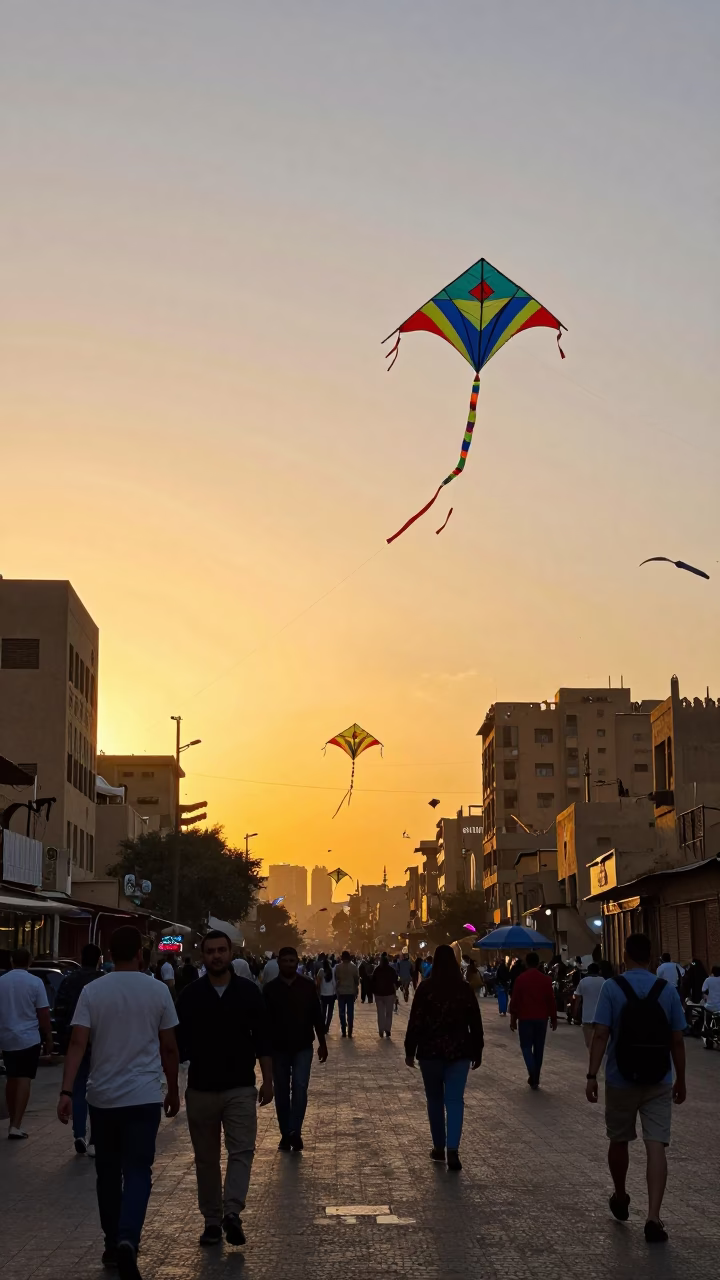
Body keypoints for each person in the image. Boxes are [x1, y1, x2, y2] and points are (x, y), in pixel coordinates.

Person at [57, 926, 180, 1280]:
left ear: (109, 955)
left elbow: (78, 1043)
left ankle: (112, 1243)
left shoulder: (93, 991)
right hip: (143, 1097)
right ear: (141, 955)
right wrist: (172, 1089)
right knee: (139, 1169)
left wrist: (67, 1091)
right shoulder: (158, 990)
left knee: (107, 1173)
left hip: (103, 1097)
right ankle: (128, 1238)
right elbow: (169, 1047)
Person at [586, 932, 687, 1245]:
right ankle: (654, 1217)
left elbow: (601, 1033)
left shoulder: (612, 987)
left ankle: (620, 1194)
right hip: (659, 1079)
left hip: (620, 1078)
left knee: (619, 1140)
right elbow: (678, 1039)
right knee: (656, 1145)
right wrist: (680, 1078)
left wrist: (591, 1075)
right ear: (651, 956)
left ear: (626, 955)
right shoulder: (667, 990)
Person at [176, 930, 273, 1249]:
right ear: (202, 956)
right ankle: (212, 1221)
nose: (216, 956)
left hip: (240, 1088)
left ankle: (232, 1212)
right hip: (202, 1089)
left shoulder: (248, 992)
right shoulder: (191, 994)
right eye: (210, 951)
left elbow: (262, 1038)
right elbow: (177, 1042)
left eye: (221, 950)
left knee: (242, 1151)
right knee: (206, 1159)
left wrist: (268, 1080)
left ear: (231, 953)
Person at [405, 945, 483, 1171]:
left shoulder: (426, 989)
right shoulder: (464, 989)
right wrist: (477, 1049)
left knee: (435, 1100)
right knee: (455, 1101)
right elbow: (475, 1023)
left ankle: (439, 1147)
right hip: (459, 1052)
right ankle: (453, 1150)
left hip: (430, 1053)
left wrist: (410, 1049)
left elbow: (415, 1021)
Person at [263, 947, 327, 1151]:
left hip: (302, 1047)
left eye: (293, 961)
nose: (289, 965)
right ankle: (285, 1133)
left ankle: (295, 1131)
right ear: (279, 963)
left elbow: (317, 1016)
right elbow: (262, 1022)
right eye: (286, 961)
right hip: (278, 1048)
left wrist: (322, 1043)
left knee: (299, 1088)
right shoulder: (270, 989)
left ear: (297, 962)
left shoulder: (307, 986)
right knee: (281, 1091)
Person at [54, 942, 103, 1154]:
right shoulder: (102, 981)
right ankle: (95, 1138)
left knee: (79, 1087)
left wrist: (63, 1039)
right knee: (98, 1089)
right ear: (99, 958)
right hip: (98, 1043)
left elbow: (60, 1010)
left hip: (74, 1043)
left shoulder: (69, 980)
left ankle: (79, 1133)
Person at [0, 948, 53, 1139]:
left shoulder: (2, 982)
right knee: (24, 1079)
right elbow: (43, 1012)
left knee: (11, 1078)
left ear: (12, 961)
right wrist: (48, 1036)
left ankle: (12, 1121)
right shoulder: (35, 982)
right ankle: (16, 1124)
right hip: (28, 1037)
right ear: (29, 961)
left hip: (6, 1037)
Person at [509, 952, 558, 1088]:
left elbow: (515, 1001)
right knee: (539, 1047)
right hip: (541, 1018)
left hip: (525, 1018)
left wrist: (513, 1019)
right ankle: (535, 1074)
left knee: (525, 1046)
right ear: (537, 963)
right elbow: (551, 1000)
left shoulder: (521, 979)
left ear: (526, 963)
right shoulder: (546, 980)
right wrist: (553, 1018)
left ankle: (533, 1072)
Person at [573, 961, 606, 1049]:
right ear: (599, 971)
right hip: (601, 1018)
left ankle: (593, 1059)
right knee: (599, 1043)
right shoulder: (604, 981)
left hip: (587, 1017)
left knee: (589, 1044)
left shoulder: (583, 982)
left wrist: (575, 1012)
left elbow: (577, 999)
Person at [333, 950, 359, 1037]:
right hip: (350, 991)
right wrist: (356, 988)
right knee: (350, 1012)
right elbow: (356, 980)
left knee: (342, 1011)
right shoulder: (353, 967)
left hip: (341, 992)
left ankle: (343, 1029)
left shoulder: (338, 967)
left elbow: (336, 978)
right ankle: (350, 1031)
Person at [372, 953, 399, 1037]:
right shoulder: (392, 970)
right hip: (389, 994)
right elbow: (395, 982)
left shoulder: (377, 970)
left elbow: (373, 981)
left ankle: (381, 1029)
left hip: (378, 994)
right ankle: (387, 1029)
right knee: (389, 1012)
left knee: (380, 1013)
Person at [316, 956, 337, 1031]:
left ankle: (322, 1025)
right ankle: (327, 1027)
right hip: (331, 994)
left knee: (323, 1011)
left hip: (323, 994)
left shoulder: (321, 971)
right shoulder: (332, 970)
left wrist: (318, 992)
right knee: (330, 1012)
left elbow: (318, 983)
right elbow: (334, 983)